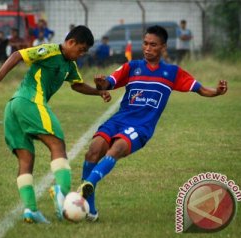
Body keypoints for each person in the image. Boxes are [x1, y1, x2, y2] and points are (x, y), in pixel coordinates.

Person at [77, 25, 228, 222]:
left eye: (153, 45)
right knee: (94, 150)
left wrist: (216, 91)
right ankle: (91, 210)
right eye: (145, 44)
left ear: (163, 47)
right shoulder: (131, 67)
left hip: (141, 127)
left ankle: (86, 185)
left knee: (117, 148)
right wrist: (100, 83)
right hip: (119, 119)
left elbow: (199, 89)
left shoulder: (172, 72)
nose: (147, 48)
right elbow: (107, 83)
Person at [0, 25, 111, 224]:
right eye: (81, 49)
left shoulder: (69, 65)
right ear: (70, 42)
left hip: (14, 107)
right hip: (30, 102)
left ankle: (31, 210)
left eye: (85, 51)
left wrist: (99, 92)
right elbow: (18, 54)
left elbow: (77, 84)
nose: (82, 54)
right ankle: (61, 192)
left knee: (26, 159)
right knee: (57, 144)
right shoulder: (50, 51)